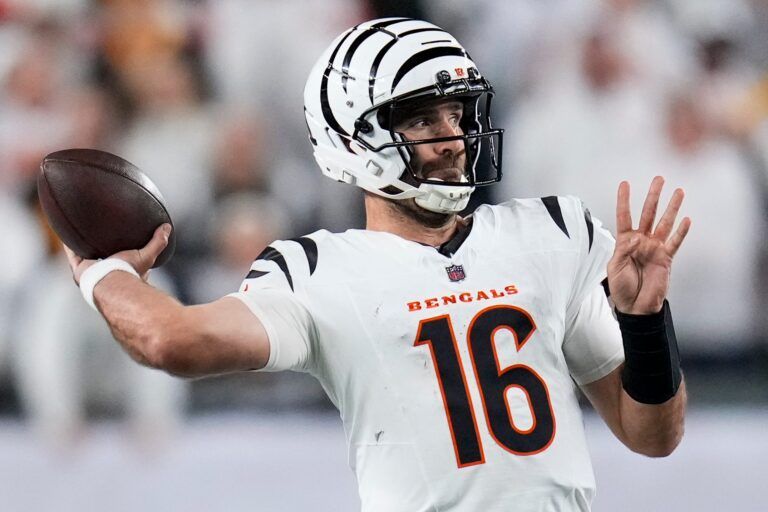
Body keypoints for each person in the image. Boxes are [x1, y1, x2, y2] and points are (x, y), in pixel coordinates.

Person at [62, 18, 690, 512]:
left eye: (457, 113)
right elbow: (171, 341)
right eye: (421, 119)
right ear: (351, 138)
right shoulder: (316, 271)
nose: (451, 136)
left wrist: (644, 319)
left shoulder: (554, 235)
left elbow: (653, 436)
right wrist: (101, 271)